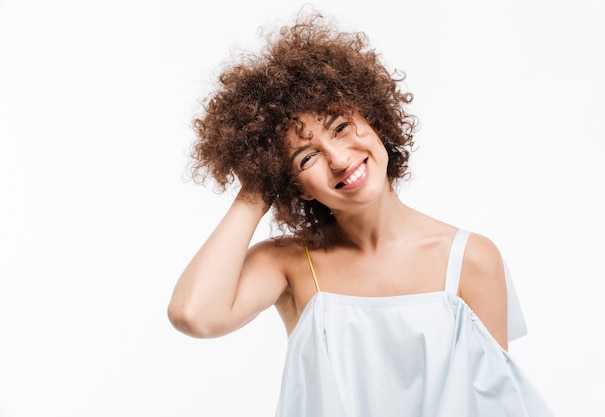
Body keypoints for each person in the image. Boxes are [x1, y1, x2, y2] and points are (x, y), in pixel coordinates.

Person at [168, 11, 554, 417]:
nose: (337, 158)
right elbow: (194, 315)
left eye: (339, 127)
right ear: (292, 183)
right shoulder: (289, 264)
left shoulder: (471, 259)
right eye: (306, 157)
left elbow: (494, 405)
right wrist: (256, 188)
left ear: (372, 116)